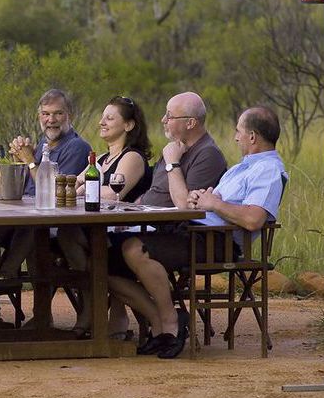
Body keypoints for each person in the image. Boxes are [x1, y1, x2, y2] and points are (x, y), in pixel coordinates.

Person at [113, 106, 286, 359]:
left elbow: (253, 219)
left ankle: (170, 322)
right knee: (107, 259)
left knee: (134, 249)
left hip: (217, 242)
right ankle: (162, 322)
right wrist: (200, 198)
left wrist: (213, 203)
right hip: (193, 232)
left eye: (238, 131)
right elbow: (212, 200)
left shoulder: (268, 170)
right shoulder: (242, 167)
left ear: (252, 136)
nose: (235, 137)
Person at [107, 91, 228, 341]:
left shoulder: (208, 154)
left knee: (131, 249)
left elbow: (184, 206)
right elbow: (154, 194)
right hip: (154, 226)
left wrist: (173, 163)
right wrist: (128, 208)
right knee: (100, 256)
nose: (163, 120)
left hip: (190, 235)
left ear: (190, 123)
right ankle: (157, 317)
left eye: (170, 116)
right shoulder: (174, 147)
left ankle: (169, 319)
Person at [56, 95, 153, 337]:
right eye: (102, 117)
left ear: (129, 125)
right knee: (66, 233)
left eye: (110, 118)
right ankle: (94, 306)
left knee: (73, 236)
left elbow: (112, 195)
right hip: (99, 227)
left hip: (127, 230)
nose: (102, 122)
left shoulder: (132, 157)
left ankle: (102, 311)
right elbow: (72, 187)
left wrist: (81, 191)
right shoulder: (99, 160)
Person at [0, 89, 92, 277]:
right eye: (45, 114)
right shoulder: (43, 143)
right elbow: (27, 187)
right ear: (39, 116)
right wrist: (19, 157)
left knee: (32, 226)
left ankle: (3, 275)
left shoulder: (77, 147)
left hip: (57, 224)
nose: (51, 119)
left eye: (58, 113)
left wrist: (30, 161)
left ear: (69, 115)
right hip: (25, 216)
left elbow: (53, 192)